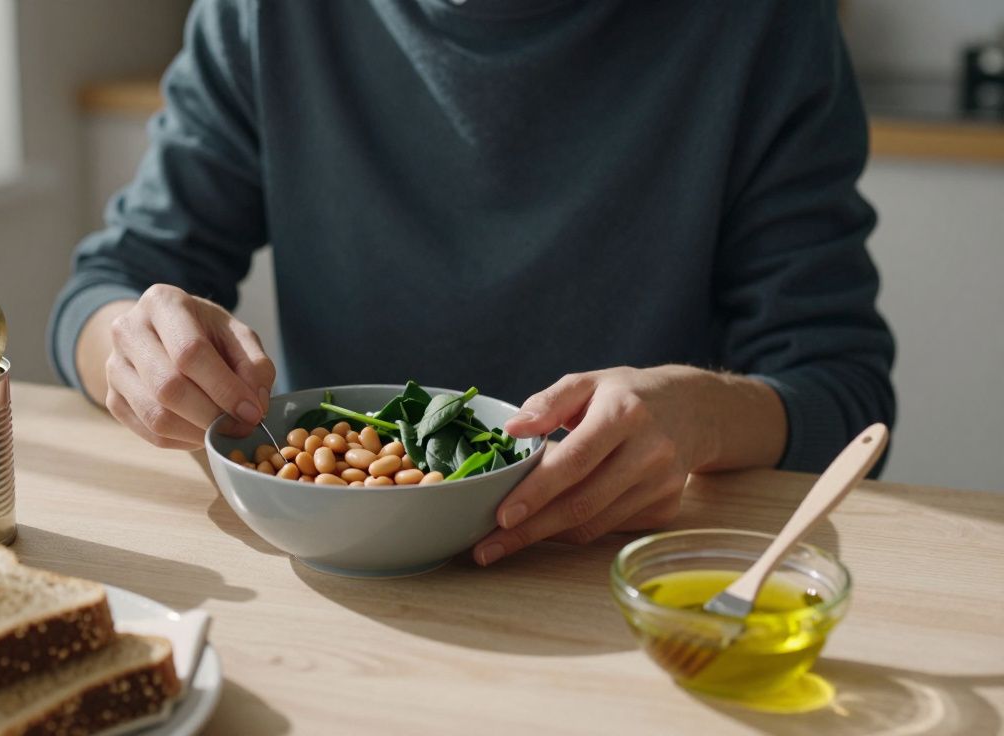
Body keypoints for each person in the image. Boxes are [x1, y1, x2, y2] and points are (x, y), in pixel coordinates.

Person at [48, 0, 895, 567]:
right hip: (343, 590)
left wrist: (699, 414)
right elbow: (108, 288)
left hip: (625, 580)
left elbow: (844, 393)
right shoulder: (266, 15)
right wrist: (135, 347)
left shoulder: (763, 24)